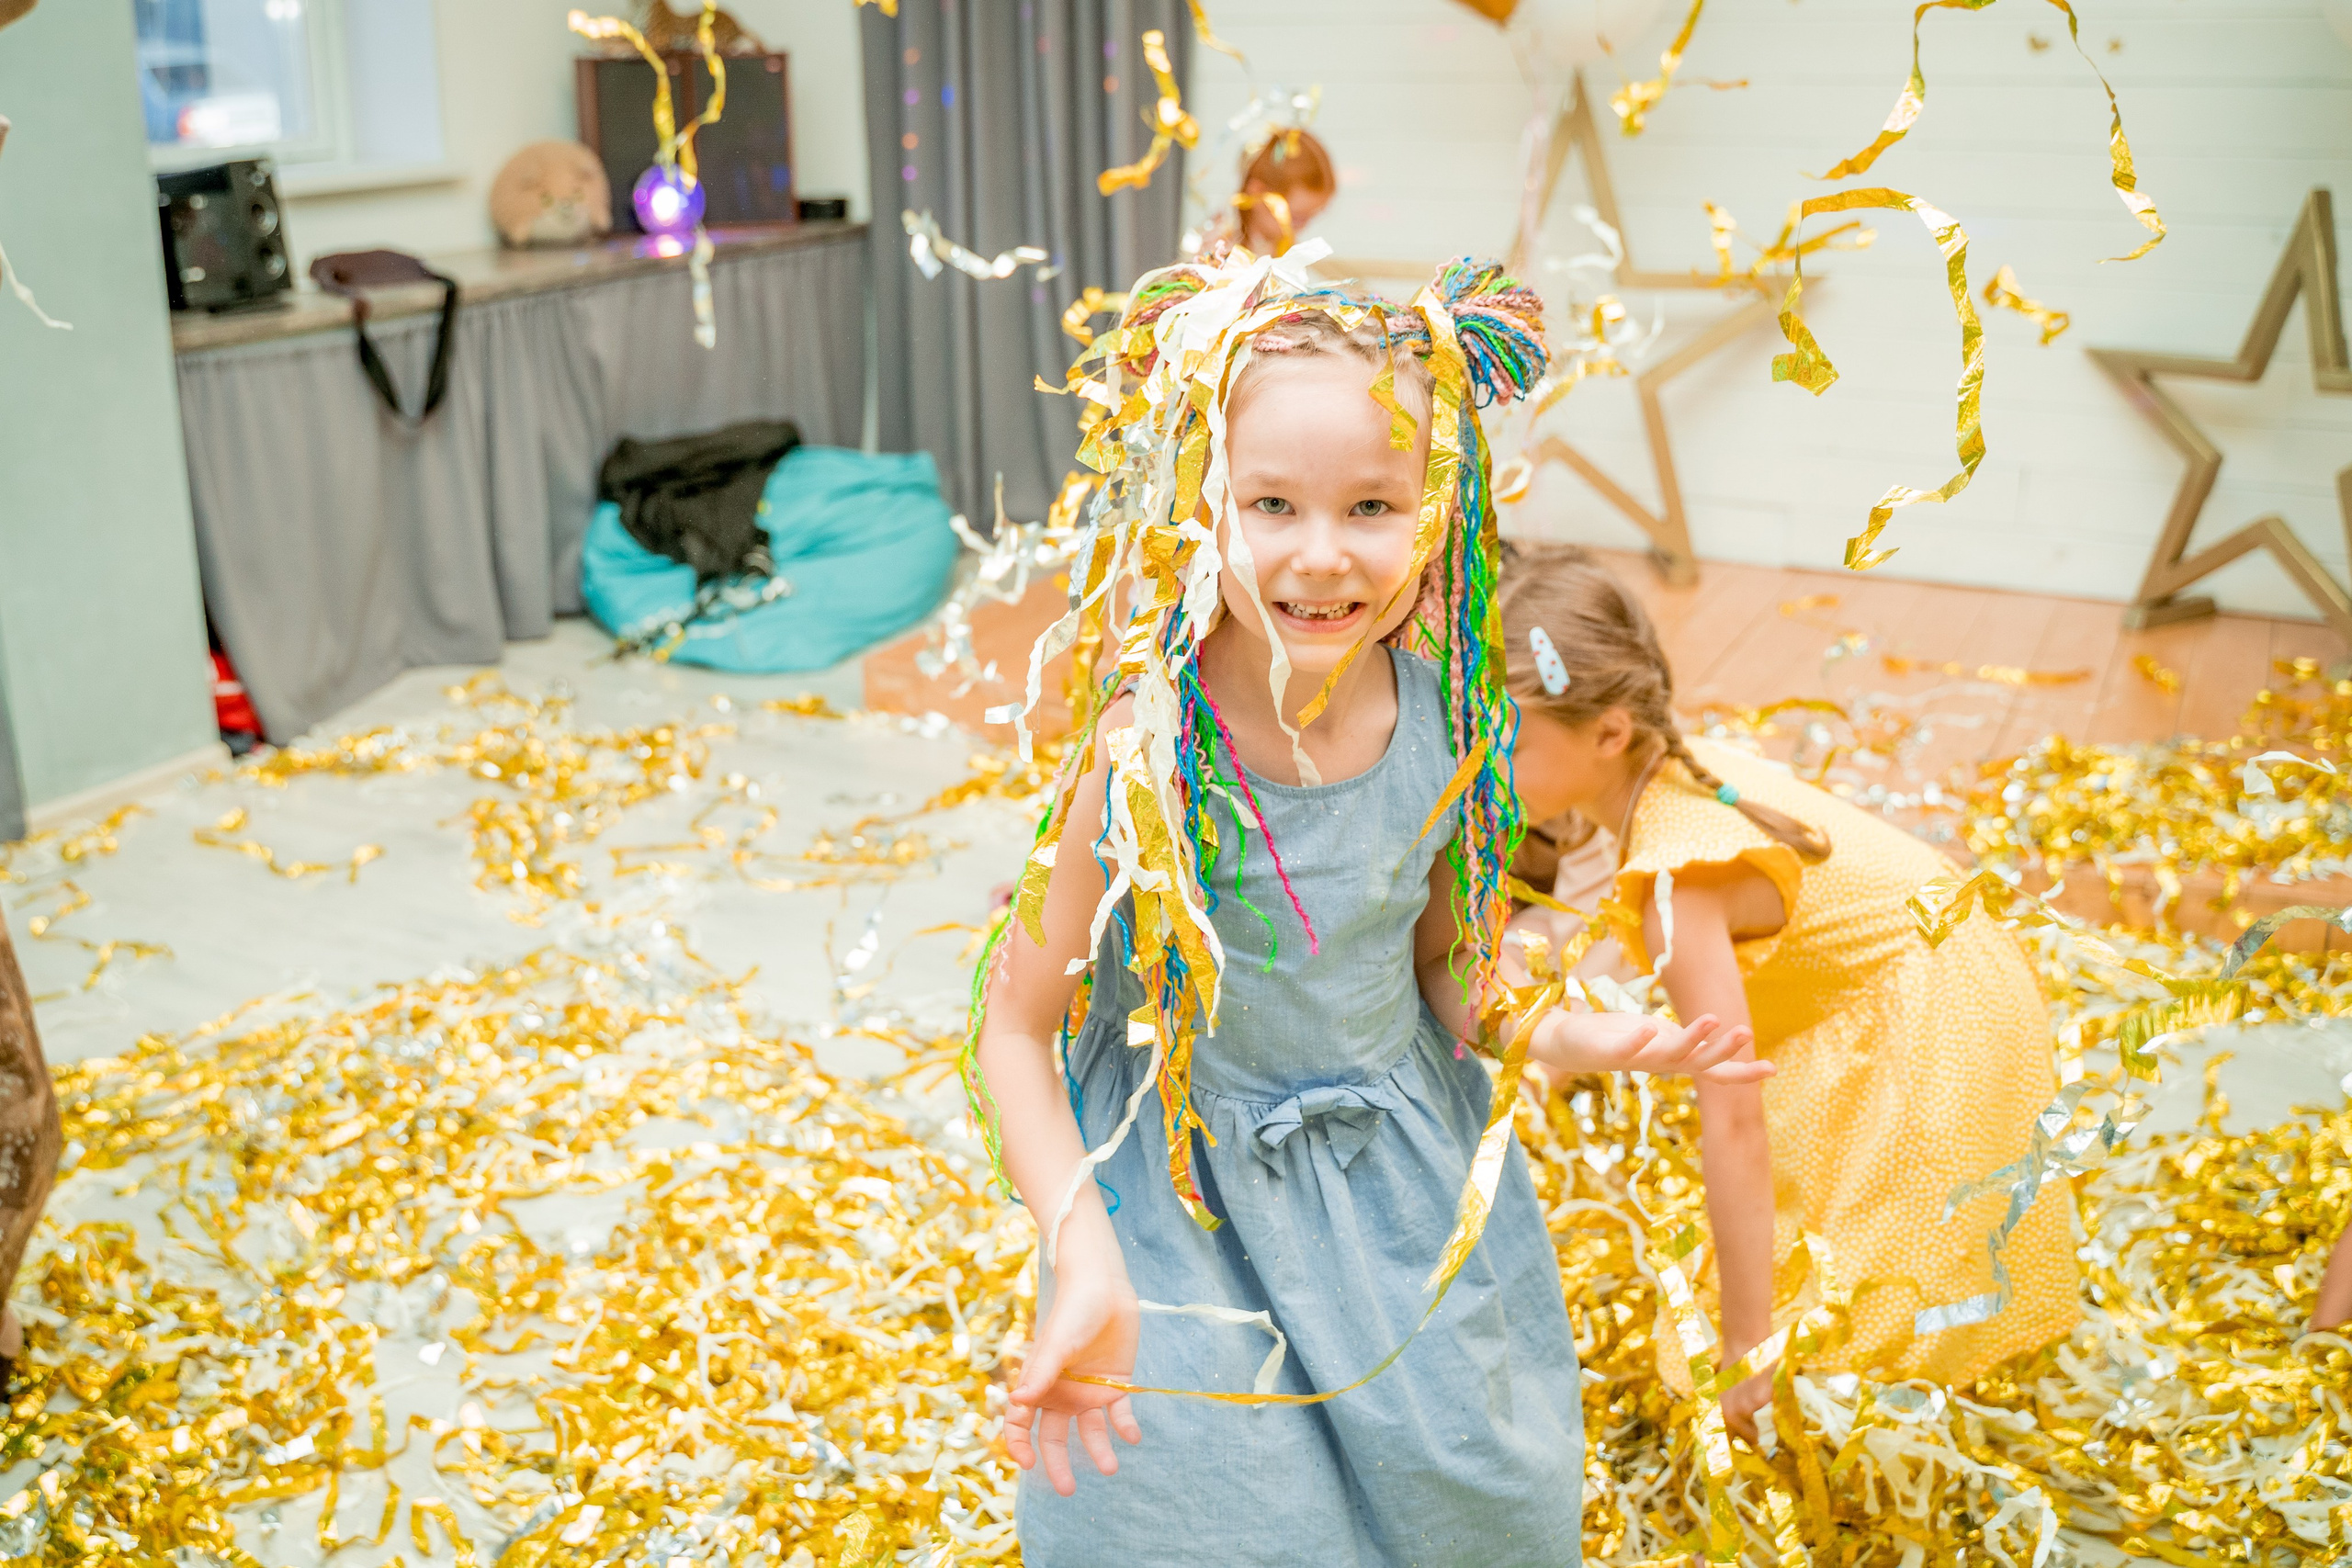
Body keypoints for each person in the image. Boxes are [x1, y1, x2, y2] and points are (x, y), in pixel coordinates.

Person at [966, 254, 1770, 1566]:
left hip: (1397, 1185)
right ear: (1201, 505)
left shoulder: (1459, 722)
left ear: (1438, 513)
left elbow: (1447, 970)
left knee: (1478, 1503)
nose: (1322, 552)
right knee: (1213, 1523)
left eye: (1372, 505)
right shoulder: (1148, 748)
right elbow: (1015, 1025)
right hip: (1179, 1196)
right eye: (1270, 502)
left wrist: (1572, 1035)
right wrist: (1085, 1250)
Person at [1494, 542, 2080, 1438]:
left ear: (1608, 732)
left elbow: (1732, 1120)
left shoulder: (1672, 885)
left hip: (1933, 1021)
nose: (1483, 769)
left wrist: (1743, 1342)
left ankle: (1847, 1414)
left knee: (1862, 1289)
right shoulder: (1674, 765)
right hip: (1943, 961)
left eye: (1507, 746)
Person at [1190, 128, 1338, 260]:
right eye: (1297, 218)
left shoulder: (1284, 250)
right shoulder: (1217, 254)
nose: (1303, 228)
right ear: (1257, 192)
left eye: (1311, 217)